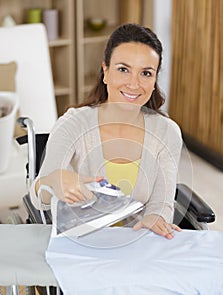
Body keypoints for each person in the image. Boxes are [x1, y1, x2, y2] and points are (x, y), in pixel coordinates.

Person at [30, 23, 183, 240]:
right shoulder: (74, 124)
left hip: (137, 245)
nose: (134, 84)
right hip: (80, 247)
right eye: (123, 69)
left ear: (155, 79)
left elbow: (161, 203)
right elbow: (39, 199)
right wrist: (53, 180)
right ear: (105, 72)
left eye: (146, 73)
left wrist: (155, 218)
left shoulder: (167, 132)